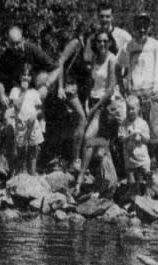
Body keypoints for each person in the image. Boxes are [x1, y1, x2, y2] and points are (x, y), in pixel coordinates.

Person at [117, 11, 158, 208]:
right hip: (135, 100)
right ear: (134, 27)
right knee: (133, 142)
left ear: (149, 27)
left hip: (155, 99)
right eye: (138, 25)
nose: (142, 29)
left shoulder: (157, 46)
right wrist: (122, 87)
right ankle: (137, 189)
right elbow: (117, 67)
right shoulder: (127, 47)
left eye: (145, 25)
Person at [74, 28, 119, 195]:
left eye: (105, 41)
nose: (102, 44)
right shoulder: (94, 59)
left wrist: (94, 107)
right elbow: (91, 84)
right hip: (92, 102)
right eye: (99, 41)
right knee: (96, 146)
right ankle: (97, 182)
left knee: (89, 139)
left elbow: (110, 89)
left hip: (104, 105)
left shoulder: (112, 60)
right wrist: (86, 103)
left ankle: (80, 181)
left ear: (110, 43)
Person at [55, 22, 94, 170]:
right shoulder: (76, 43)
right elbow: (61, 61)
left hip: (81, 90)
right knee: (82, 119)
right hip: (68, 87)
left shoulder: (91, 48)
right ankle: (75, 160)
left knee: (77, 122)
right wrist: (60, 86)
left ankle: (70, 159)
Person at [0, 25, 55, 108]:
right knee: (11, 115)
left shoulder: (32, 49)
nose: (15, 47)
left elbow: (56, 68)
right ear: (8, 43)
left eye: (18, 43)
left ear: (22, 40)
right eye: (12, 44)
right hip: (16, 92)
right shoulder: (6, 56)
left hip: (34, 91)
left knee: (33, 116)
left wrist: (46, 85)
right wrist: (2, 95)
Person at [8, 64, 45, 175]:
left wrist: (36, 115)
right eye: (24, 74)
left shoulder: (34, 92)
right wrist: (23, 91)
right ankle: (21, 171)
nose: (26, 77)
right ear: (20, 76)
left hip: (32, 123)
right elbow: (17, 106)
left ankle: (32, 171)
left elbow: (39, 109)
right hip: (21, 124)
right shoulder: (15, 91)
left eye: (28, 75)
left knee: (33, 147)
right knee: (21, 148)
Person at [121, 94, 150, 194]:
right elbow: (121, 139)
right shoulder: (124, 123)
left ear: (138, 109)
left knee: (146, 174)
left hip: (142, 155)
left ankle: (147, 194)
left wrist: (141, 136)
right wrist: (129, 136)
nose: (130, 111)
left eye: (132, 109)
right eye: (128, 109)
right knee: (131, 176)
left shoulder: (143, 123)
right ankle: (133, 195)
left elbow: (147, 139)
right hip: (129, 156)